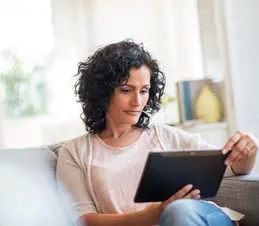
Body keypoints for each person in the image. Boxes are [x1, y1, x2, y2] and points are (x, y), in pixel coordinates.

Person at [56, 39, 258, 226]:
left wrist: (248, 152)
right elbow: (83, 221)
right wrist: (151, 215)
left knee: (180, 211)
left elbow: (232, 168)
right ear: (102, 92)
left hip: (200, 219)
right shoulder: (75, 152)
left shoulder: (165, 136)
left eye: (144, 91)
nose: (137, 102)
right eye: (126, 90)